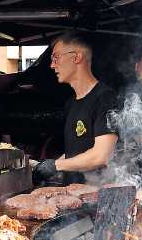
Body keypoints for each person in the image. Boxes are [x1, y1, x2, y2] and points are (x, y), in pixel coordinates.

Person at [33, 31, 118, 184]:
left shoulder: (105, 98)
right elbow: (75, 153)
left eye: (56, 57)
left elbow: (101, 156)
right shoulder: (71, 103)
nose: (52, 65)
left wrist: (56, 165)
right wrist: (45, 168)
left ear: (77, 57)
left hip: (98, 195)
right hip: (73, 196)